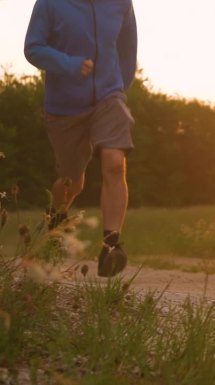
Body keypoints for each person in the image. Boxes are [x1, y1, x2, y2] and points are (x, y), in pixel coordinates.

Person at [24, 0, 137, 277]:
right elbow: (33, 48)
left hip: (109, 97)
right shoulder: (50, 3)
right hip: (64, 106)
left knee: (113, 162)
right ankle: (55, 221)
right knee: (71, 181)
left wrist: (119, 87)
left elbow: (127, 48)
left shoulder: (120, 3)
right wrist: (68, 64)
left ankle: (111, 246)